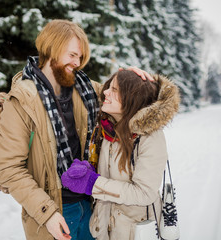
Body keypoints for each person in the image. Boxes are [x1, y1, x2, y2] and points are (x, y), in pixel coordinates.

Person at [0, 19, 152, 240]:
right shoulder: (22, 99)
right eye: (72, 55)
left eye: (80, 57)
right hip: (54, 213)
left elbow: (121, 97)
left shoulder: (82, 87)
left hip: (92, 203)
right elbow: (7, 167)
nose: (77, 63)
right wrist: (46, 213)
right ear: (51, 49)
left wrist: (134, 79)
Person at [61, 70, 180, 240]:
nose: (105, 92)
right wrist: (89, 170)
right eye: (109, 87)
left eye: (115, 90)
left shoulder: (150, 137)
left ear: (133, 97)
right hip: (103, 230)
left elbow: (144, 193)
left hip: (132, 232)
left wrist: (92, 183)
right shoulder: (109, 127)